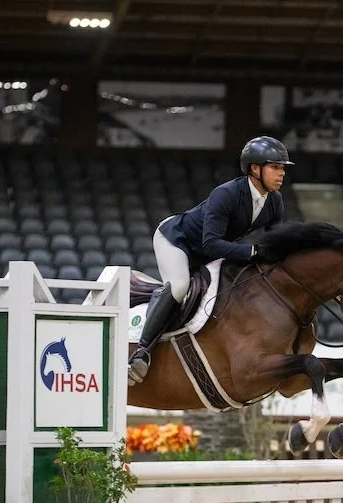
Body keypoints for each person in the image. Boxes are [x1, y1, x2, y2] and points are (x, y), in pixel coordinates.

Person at [126, 135, 294, 386]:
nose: (281, 174)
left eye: (282, 168)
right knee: (180, 286)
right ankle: (141, 353)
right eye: (275, 167)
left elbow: (273, 244)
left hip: (210, 253)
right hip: (176, 241)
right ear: (255, 169)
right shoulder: (226, 194)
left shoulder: (274, 202)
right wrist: (252, 252)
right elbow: (212, 243)